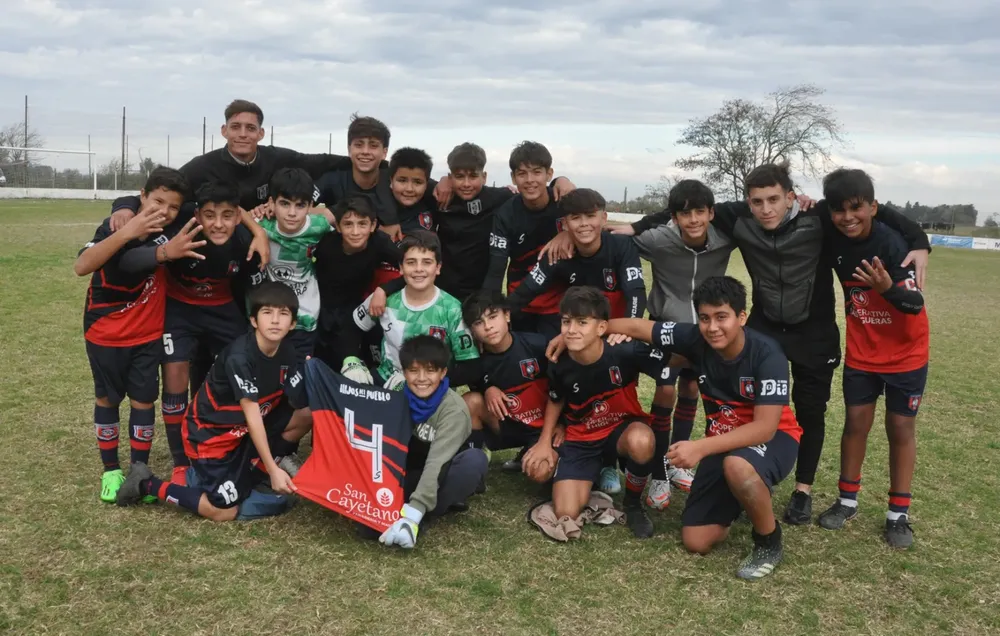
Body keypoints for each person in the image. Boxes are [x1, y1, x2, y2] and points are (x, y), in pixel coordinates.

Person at [616, 162, 930, 525]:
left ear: (791, 197)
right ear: (748, 202)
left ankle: (802, 491)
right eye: (757, 201)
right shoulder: (739, 217)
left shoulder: (819, 217)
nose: (765, 209)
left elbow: (864, 207)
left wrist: (919, 241)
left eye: (774, 200)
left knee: (810, 411)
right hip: (764, 328)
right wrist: (637, 226)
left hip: (813, 331)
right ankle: (742, 470)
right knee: (744, 402)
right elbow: (688, 207)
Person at [605, 277, 801, 580]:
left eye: (722, 317)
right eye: (705, 318)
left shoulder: (767, 354)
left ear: (741, 317)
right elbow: (637, 327)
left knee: (738, 466)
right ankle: (743, 495)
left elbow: (764, 428)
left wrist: (700, 447)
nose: (712, 327)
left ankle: (768, 541)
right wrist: (590, 329)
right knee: (696, 541)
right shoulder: (695, 338)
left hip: (775, 438)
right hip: (724, 442)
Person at [117, 282, 313, 521]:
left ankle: (254, 471)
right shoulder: (240, 357)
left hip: (244, 432)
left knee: (306, 414)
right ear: (253, 320)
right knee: (224, 511)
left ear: (292, 323)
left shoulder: (288, 352)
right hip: (211, 438)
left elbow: (294, 398)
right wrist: (274, 470)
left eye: (283, 314)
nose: (275, 320)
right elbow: (253, 417)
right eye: (267, 312)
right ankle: (146, 483)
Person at [815, 168, 929, 549]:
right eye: (839, 210)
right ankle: (847, 501)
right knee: (855, 424)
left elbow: (914, 304)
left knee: (900, 428)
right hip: (862, 353)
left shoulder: (893, 244)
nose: (848, 217)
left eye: (857, 208)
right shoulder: (834, 231)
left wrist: (887, 288)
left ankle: (898, 515)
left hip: (906, 354)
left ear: (872, 207)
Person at [74, 167, 204, 502]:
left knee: (144, 401)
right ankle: (110, 470)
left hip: (148, 334)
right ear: (143, 196)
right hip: (106, 333)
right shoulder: (116, 225)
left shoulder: (174, 223)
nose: (165, 211)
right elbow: (82, 265)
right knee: (107, 399)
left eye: (173, 206)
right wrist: (127, 227)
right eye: (157, 201)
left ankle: (139, 471)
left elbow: (212, 205)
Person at [523, 287, 668, 539]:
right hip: (582, 438)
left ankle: (633, 504)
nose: (571, 330)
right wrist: (545, 442)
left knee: (641, 441)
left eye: (582, 322)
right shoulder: (559, 360)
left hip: (620, 431)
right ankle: (594, 474)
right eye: (566, 322)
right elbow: (556, 399)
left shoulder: (624, 350)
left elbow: (671, 362)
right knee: (565, 511)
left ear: (601, 328)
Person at [632, 179, 735, 509]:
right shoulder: (658, 239)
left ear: (711, 213)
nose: (693, 220)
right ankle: (659, 472)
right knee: (665, 391)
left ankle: (677, 462)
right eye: (685, 214)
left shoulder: (725, 239)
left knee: (691, 390)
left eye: (699, 212)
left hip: (704, 331)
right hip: (665, 327)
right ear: (674, 217)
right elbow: (617, 237)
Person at [159, 181, 265, 484]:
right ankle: (181, 462)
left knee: (243, 370)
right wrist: (123, 208)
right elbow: (147, 205)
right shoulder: (180, 228)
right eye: (209, 216)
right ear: (197, 215)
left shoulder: (247, 241)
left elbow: (251, 290)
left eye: (227, 216)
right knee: (175, 373)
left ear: (238, 216)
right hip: (179, 309)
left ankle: (234, 446)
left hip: (222, 308)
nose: (218, 224)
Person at [379, 335, 489, 549]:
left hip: (441, 471)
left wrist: (412, 516)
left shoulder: (454, 410)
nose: (421, 378)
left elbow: (437, 462)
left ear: (443, 372)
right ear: (404, 372)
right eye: (413, 370)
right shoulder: (395, 394)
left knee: (474, 461)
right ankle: (399, 508)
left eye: (430, 371)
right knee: (367, 528)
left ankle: (421, 516)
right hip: (410, 469)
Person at [436, 143, 574, 301]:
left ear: (484, 177)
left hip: (484, 289)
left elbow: (587, 219)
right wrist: (443, 180)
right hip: (444, 290)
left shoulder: (502, 197)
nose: (466, 183)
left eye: (473, 176)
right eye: (459, 177)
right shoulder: (440, 197)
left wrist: (562, 181)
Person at [506, 188, 646, 331]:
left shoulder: (621, 245)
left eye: (590, 216)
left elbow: (636, 293)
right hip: (580, 333)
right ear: (565, 224)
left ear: (604, 218)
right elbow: (525, 291)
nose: (584, 223)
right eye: (575, 218)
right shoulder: (558, 251)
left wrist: (628, 330)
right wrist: (501, 315)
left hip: (617, 330)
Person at [353, 231, 479, 388]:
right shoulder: (384, 299)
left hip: (431, 390)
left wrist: (428, 381)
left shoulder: (452, 309)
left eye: (427, 262)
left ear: (438, 267)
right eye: (411, 262)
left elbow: (469, 364)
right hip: (387, 382)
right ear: (401, 267)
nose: (419, 269)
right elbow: (352, 327)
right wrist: (351, 360)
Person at [483, 141, 573, 337]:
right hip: (521, 304)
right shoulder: (505, 215)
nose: (530, 180)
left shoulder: (565, 204)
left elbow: (591, 229)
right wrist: (491, 312)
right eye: (522, 173)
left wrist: (568, 233)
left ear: (549, 174)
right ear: (513, 178)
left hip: (560, 306)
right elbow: (496, 270)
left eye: (537, 172)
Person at [461, 291, 557, 472]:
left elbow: (564, 386)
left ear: (507, 315)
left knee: (539, 471)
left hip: (545, 428)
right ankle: (474, 463)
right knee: (469, 402)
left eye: (493, 317)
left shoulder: (538, 345)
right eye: (479, 323)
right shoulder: (475, 360)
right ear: (472, 330)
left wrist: (563, 425)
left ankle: (533, 452)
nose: (488, 327)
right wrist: (487, 388)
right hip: (508, 425)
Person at [312, 197, 401, 375]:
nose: (355, 232)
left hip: (353, 309)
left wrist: (384, 290)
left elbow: (412, 270)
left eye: (362, 224)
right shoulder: (326, 243)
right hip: (318, 306)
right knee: (318, 362)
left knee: (349, 361)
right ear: (338, 227)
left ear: (373, 225)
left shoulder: (380, 242)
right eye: (348, 224)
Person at [255, 168, 333, 360]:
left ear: (310, 206)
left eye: (300, 205)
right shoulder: (260, 225)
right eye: (284, 204)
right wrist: (255, 228)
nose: (292, 213)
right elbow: (237, 213)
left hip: (305, 317)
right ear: (271, 203)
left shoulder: (319, 227)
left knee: (299, 372)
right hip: (268, 315)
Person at [314, 114, 402, 240]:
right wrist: (334, 214)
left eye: (373, 145)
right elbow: (300, 207)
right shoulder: (333, 179)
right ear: (349, 149)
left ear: (384, 152)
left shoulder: (397, 179)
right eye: (359, 145)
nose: (365, 151)